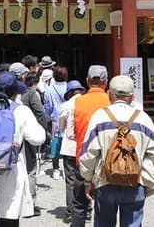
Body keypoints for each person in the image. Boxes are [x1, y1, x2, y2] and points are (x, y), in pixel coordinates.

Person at [79, 75, 154, 227]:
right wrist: (147, 175)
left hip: (105, 181)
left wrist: (88, 180)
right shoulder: (143, 118)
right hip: (135, 181)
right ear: (132, 97)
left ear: (109, 95)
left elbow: (88, 155)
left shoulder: (99, 117)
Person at [0, 71, 46, 227]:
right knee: (9, 214)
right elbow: (38, 137)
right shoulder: (21, 111)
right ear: (15, 93)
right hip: (12, 170)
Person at [70, 65, 110, 227]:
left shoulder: (78, 102)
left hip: (83, 158)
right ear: (105, 82)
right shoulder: (111, 101)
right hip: (107, 159)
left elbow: (71, 133)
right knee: (105, 205)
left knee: (79, 204)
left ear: (87, 81)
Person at [20, 71, 51, 216]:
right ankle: (30, 203)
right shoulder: (32, 95)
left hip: (15, 135)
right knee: (30, 169)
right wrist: (43, 131)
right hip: (29, 135)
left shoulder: (17, 94)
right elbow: (40, 113)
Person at [58, 79, 86, 222]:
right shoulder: (87, 104)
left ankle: (71, 210)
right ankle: (87, 209)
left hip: (69, 147)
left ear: (69, 93)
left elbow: (61, 127)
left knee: (71, 180)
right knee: (87, 178)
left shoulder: (66, 105)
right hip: (85, 147)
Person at [43, 65, 68, 179]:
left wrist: (48, 116)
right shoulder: (70, 87)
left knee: (55, 144)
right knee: (69, 143)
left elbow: (47, 107)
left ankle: (56, 169)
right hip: (69, 119)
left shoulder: (49, 90)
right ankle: (69, 168)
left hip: (56, 120)